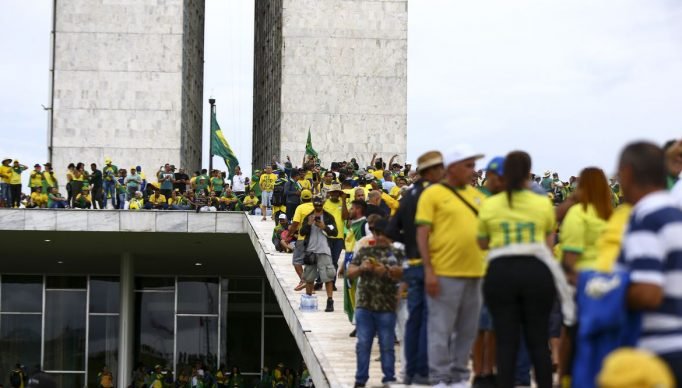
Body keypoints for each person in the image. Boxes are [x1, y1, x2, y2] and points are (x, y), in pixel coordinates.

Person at [477, 151, 558, 388]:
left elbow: (482, 242)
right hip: (535, 271)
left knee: (505, 340)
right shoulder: (542, 202)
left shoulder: (491, 204)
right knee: (537, 340)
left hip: (501, 271)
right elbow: (548, 241)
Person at [416, 144, 487, 387]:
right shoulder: (433, 194)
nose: (473, 171)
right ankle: (440, 377)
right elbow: (422, 233)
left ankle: (459, 376)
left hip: (476, 272)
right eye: (468, 166)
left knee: (468, 330)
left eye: (474, 166)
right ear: (453, 168)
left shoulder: (478, 196)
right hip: (445, 272)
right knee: (440, 329)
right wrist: (428, 269)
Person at [615, 141, 682, 385]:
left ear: (628, 172)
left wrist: (605, 290)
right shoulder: (674, 214)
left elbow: (648, 293)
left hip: (658, 353)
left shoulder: (646, 218)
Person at [386, 150, 445, 385]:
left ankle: (410, 371)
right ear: (430, 171)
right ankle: (423, 371)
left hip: (412, 263)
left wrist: (410, 242)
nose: (443, 172)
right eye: (440, 168)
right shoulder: (435, 195)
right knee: (430, 320)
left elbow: (391, 231)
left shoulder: (409, 195)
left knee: (414, 319)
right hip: (432, 264)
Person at [348, 218, 404, 387]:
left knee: (387, 344)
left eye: (384, 235)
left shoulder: (397, 253)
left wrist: (385, 271)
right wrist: (360, 268)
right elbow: (350, 272)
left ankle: (389, 377)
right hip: (365, 306)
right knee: (363, 344)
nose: (381, 238)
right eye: (378, 234)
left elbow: (405, 273)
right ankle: (360, 379)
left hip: (386, 306)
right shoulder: (365, 251)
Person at [299, 195, 338, 312]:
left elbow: (335, 232)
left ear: (323, 203)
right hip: (310, 251)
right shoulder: (308, 217)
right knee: (309, 278)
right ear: (313, 203)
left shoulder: (329, 217)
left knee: (328, 277)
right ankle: (308, 301)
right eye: (316, 204)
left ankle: (330, 301)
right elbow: (301, 232)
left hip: (324, 250)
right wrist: (308, 224)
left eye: (320, 204)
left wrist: (324, 227)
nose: (318, 206)